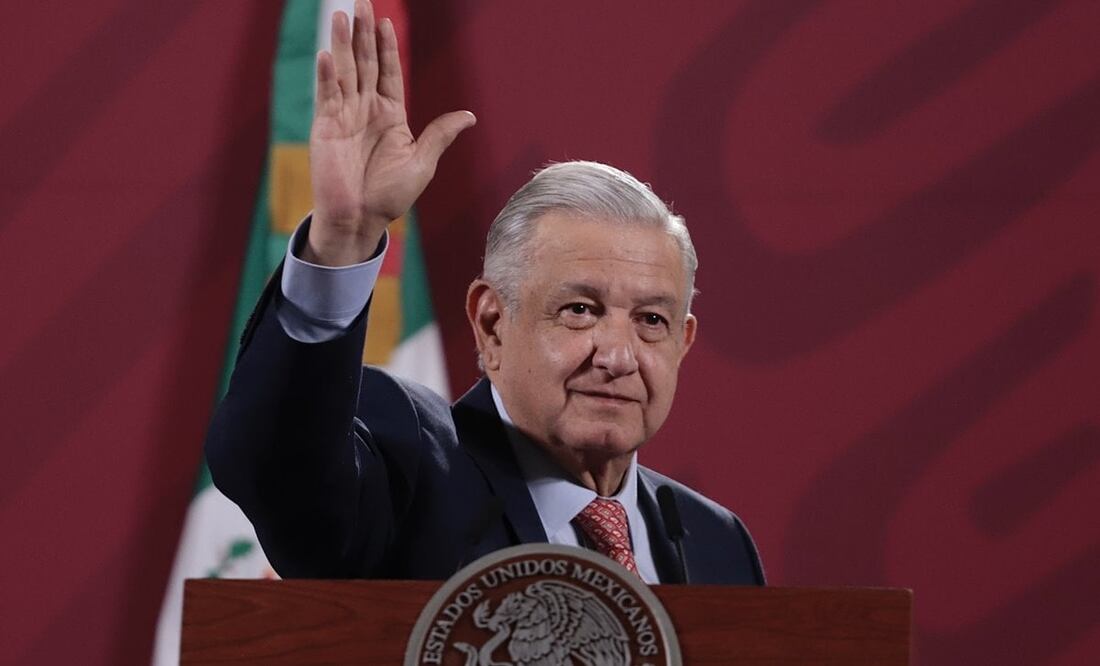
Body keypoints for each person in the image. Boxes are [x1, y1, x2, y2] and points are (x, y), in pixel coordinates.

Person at [205, 0, 763, 585]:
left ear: (683, 343)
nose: (619, 357)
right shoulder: (412, 472)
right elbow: (276, 467)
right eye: (580, 310)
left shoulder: (717, 543)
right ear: (492, 324)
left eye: (651, 320)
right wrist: (344, 237)